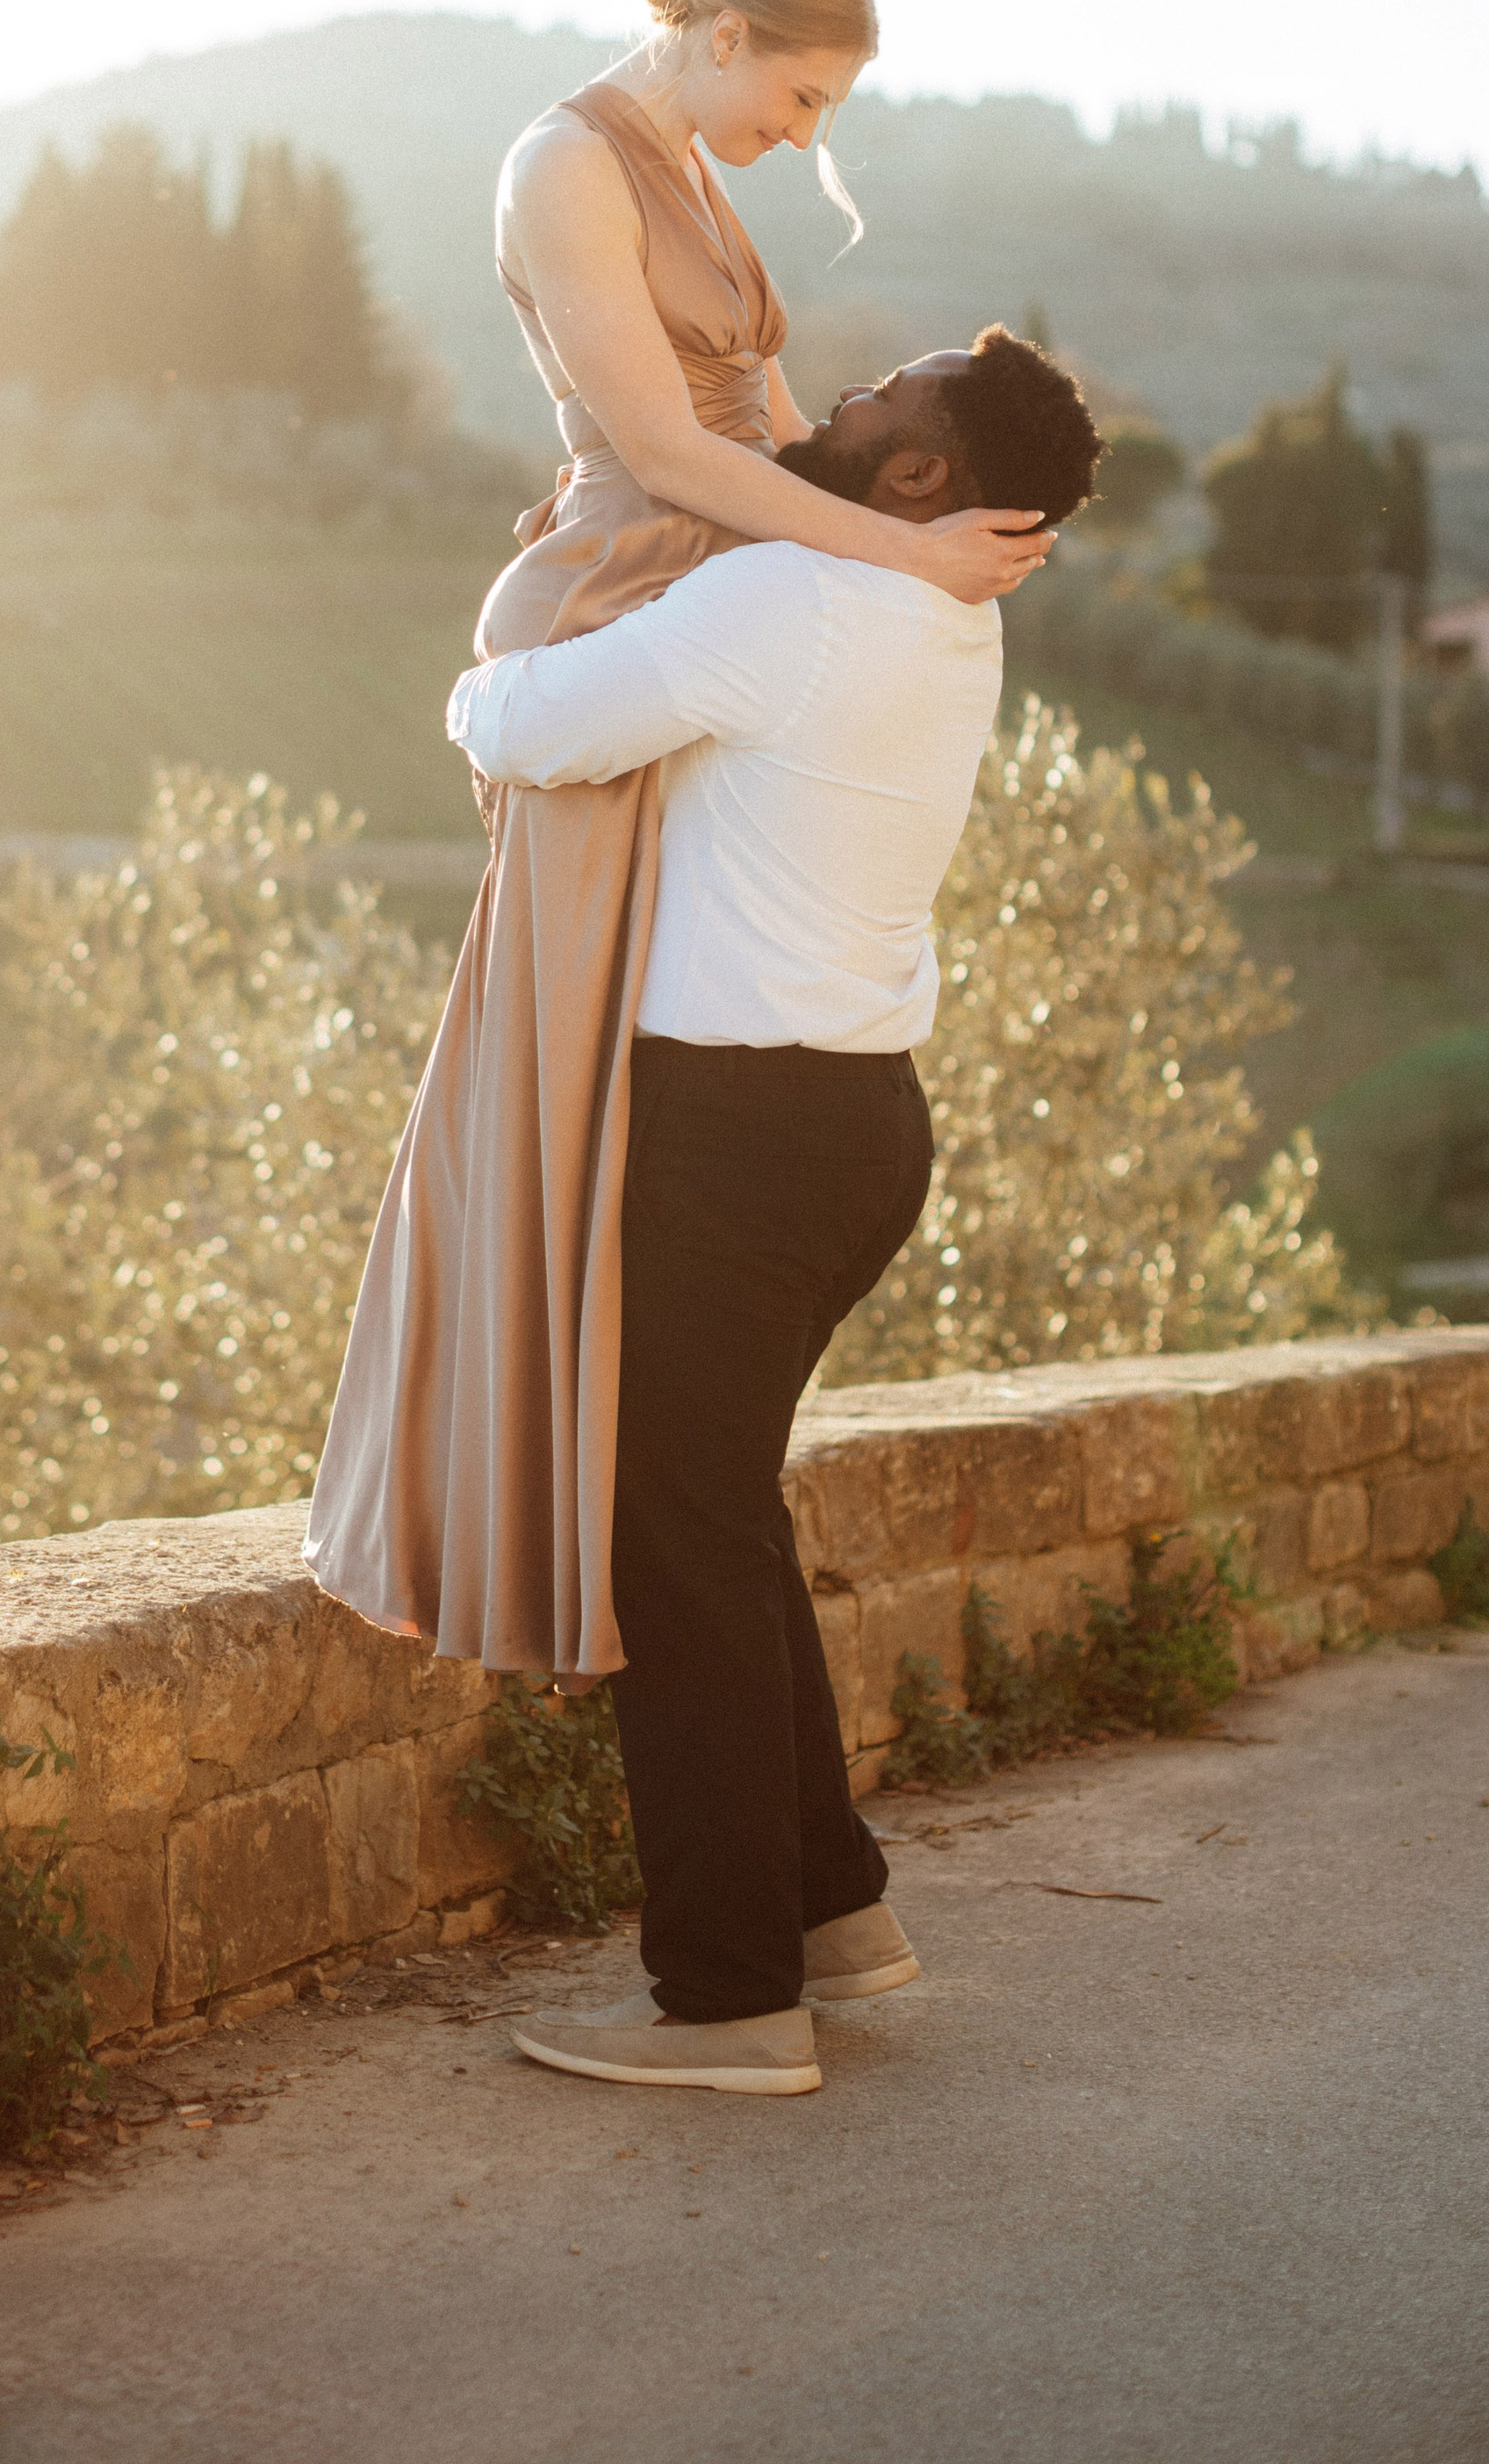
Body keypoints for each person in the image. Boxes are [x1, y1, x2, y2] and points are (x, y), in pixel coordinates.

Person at [305, 0, 1054, 1683]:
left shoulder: (700, 185)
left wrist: (894, 568)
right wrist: (910, 558)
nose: (805, 138)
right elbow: (658, 451)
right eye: (796, 94)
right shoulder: (565, 160)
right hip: (620, 603)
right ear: (718, 36)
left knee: (622, 1048)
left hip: (707, 604)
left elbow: (780, 451)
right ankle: (502, 1494)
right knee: (565, 1051)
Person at [460, 330, 1104, 2094]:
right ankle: (831, 1917)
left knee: (670, 1548)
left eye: (872, 404)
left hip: (733, 1139)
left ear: (916, 478)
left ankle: (729, 2006)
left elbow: (522, 723)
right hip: (852, 1128)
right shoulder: (930, 615)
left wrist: (510, 617)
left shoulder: (796, 610)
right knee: (717, 1520)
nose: (828, 410)